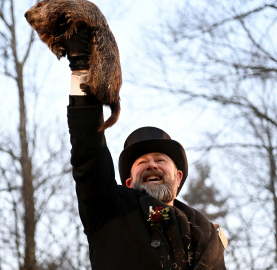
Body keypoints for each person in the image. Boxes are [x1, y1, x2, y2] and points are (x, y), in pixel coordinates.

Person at [64, 27, 226, 269]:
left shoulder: (205, 235)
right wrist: (81, 69)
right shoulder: (109, 210)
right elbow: (88, 151)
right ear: (129, 182)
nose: (152, 164)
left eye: (160, 160)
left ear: (178, 177)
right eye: (141, 162)